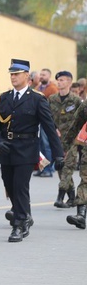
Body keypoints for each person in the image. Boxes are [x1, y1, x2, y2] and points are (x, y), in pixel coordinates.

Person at [0, 59, 64, 242]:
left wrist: (58, 154)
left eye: (17, 74)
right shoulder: (4, 98)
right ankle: (25, 214)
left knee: (20, 186)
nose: (13, 77)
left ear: (27, 77)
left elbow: (49, 127)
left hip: (27, 149)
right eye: (11, 74)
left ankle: (19, 223)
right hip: (6, 149)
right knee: (9, 184)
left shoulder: (37, 99)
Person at [49, 71, 80, 208]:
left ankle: (60, 197)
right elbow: (48, 117)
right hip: (57, 139)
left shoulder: (76, 100)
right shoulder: (52, 99)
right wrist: (53, 128)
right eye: (58, 80)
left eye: (62, 80)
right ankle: (72, 197)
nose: (59, 82)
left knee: (67, 167)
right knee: (61, 168)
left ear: (69, 82)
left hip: (72, 139)